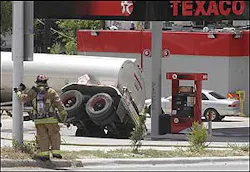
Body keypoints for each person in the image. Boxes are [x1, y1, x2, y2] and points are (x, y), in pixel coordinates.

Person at [14, 74, 68, 161]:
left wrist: (18, 92)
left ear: (37, 82)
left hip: (39, 120)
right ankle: (56, 153)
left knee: (43, 137)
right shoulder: (51, 91)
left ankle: (45, 155)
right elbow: (59, 104)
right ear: (46, 82)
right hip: (51, 119)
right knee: (54, 135)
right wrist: (64, 115)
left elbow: (23, 98)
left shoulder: (33, 91)